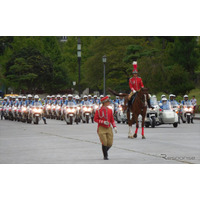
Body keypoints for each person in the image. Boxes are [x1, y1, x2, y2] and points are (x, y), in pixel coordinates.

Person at [94, 96, 117, 160]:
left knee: (110, 143)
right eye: (108, 101)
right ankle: (105, 155)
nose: (109, 102)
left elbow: (112, 119)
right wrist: (103, 122)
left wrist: (114, 126)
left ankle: (105, 151)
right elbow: (95, 119)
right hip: (101, 128)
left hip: (109, 127)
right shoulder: (98, 110)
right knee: (104, 142)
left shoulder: (110, 110)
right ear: (104, 103)